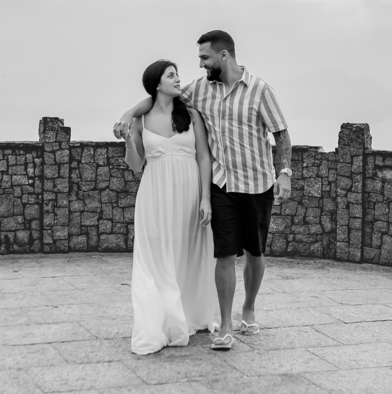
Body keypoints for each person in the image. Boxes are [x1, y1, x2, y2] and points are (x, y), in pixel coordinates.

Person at [116, 30, 291, 352]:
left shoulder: (260, 90)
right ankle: (224, 325)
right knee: (224, 253)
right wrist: (129, 114)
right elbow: (158, 98)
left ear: (223, 56)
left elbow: (281, 135)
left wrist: (284, 174)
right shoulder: (199, 90)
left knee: (255, 253)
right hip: (222, 183)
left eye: (204, 57)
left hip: (257, 182)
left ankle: (248, 308)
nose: (200, 64)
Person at [124, 59, 216, 355]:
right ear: (157, 84)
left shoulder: (190, 115)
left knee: (185, 253)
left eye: (177, 75)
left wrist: (205, 198)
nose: (178, 80)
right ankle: (161, 320)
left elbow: (203, 157)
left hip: (189, 192)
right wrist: (129, 142)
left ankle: (187, 313)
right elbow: (137, 166)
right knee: (155, 258)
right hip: (154, 194)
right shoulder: (141, 120)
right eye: (171, 75)